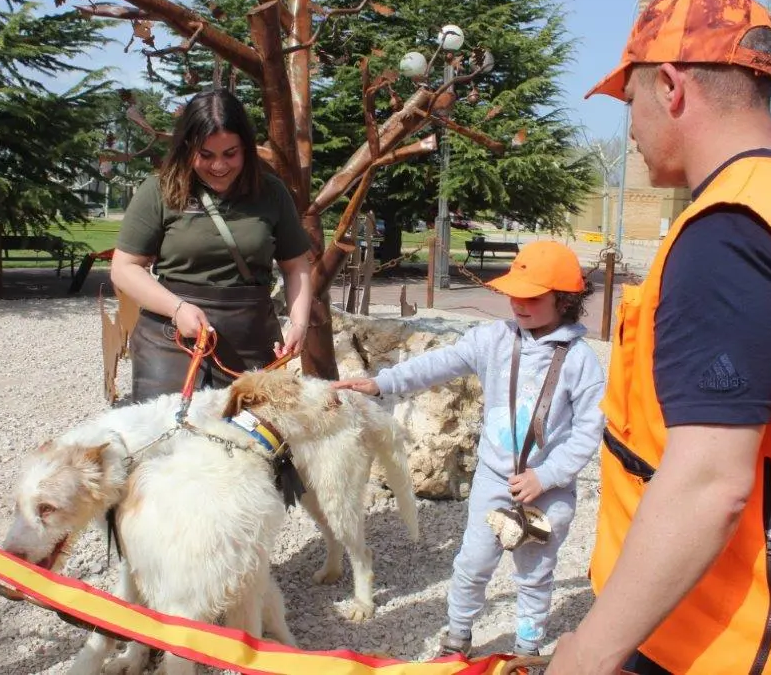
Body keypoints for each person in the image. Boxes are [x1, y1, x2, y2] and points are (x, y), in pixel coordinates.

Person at [546, 0, 771, 673]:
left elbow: (709, 483)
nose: (631, 126)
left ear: (670, 86)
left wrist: (592, 653)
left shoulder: (727, 234)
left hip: (725, 640)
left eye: (629, 98)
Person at [333, 241, 606, 658]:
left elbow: (589, 429)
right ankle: (457, 636)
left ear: (564, 300)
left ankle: (527, 649)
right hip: (494, 480)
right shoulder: (493, 339)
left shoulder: (581, 361)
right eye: (514, 294)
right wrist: (381, 383)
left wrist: (547, 476)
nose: (519, 303)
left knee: (535, 574)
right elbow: (438, 363)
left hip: (548, 490)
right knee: (473, 563)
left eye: (533, 297)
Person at [111, 89, 313, 400]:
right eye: (205, 155)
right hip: (171, 338)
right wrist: (177, 309)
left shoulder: (271, 193)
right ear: (187, 148)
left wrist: (299, 323)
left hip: (252, 339)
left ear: (246, 148)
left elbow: (296, 264)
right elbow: (124, 268)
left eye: (230, 153)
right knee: (170, 428)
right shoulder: (159, 191)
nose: (219, 166)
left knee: (253, 430)